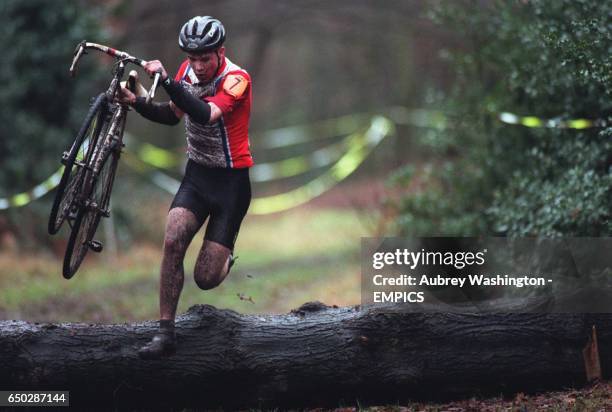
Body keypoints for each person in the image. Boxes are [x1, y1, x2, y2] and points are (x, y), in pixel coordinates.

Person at [117, 16, 253, 359]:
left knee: (205, 278)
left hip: (231, 185)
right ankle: (165, 333)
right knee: (172, 237)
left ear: (220, 52)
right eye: (192, 58)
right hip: (198, 176)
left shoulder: (237, 79)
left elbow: (206, 113)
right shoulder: (185, 72)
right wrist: (136, 103)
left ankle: (225, 259)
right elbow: (172, 114)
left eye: (204, 58)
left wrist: (167, 82)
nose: (197, 66)